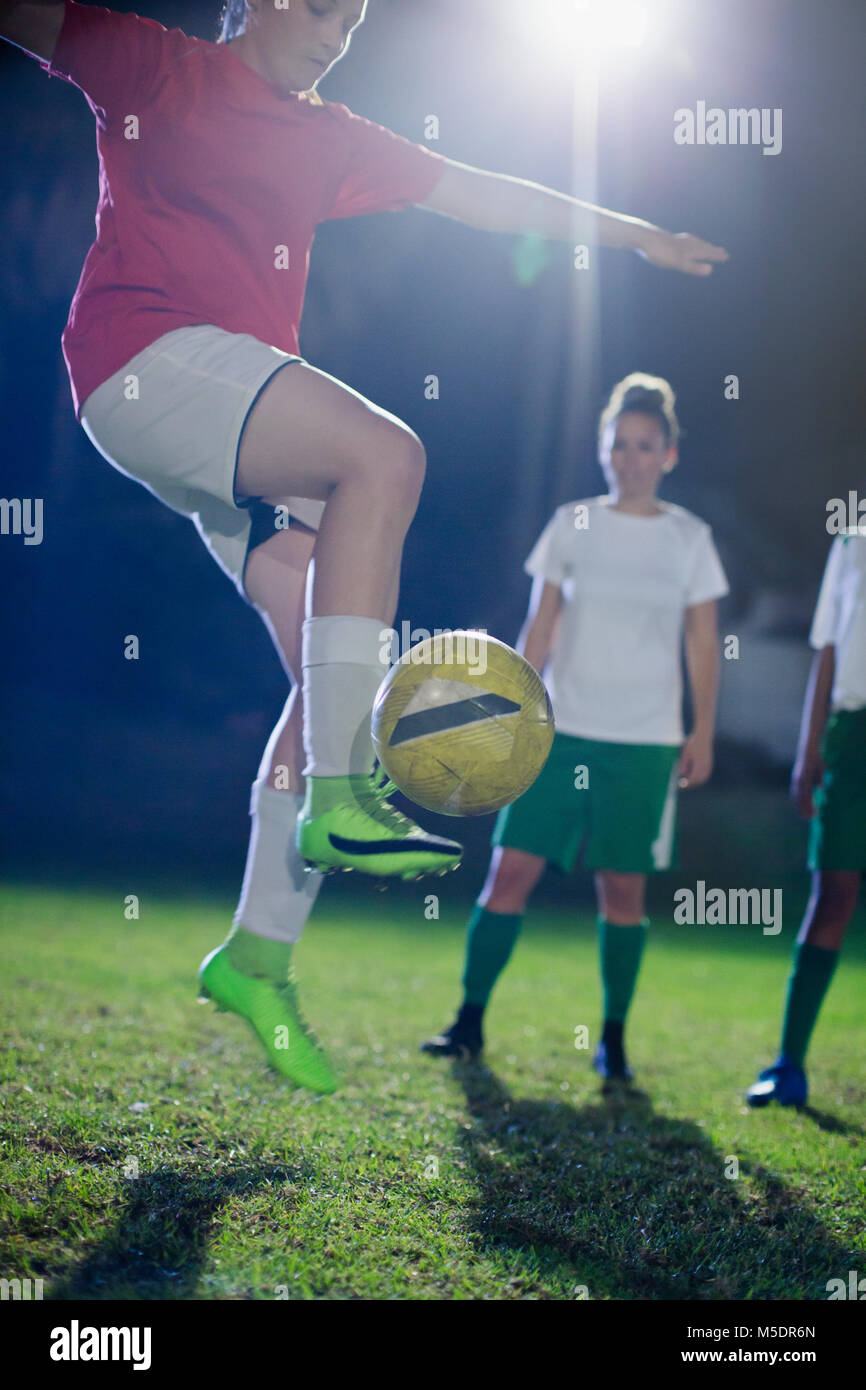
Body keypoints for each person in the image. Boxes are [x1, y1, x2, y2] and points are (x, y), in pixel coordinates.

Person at [1, 0, 728, 1093]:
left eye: (357, 13)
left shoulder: (331, 133)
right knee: (385, 456)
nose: (341, 24)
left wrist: (636, 234)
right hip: (143, 367)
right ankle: (345, 793)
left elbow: (489, 195)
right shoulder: (160, 67)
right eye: (324, 0)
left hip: (233, 434)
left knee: (333, 672)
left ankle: (256, 954)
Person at [423, 375, 729, 1085]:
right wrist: (513, 709)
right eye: (618, 444)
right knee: (509, 872)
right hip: (560, 733)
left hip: (646, 741)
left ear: (669, 454)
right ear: (604, 451)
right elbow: (542, 625)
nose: (631, 458)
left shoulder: (690, 539)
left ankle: (613, 1040)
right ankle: (467, 1021)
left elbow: (703, 645)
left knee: (622, 892)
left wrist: (701, 728)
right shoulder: (572, 523)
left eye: (645, 446)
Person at [747, 523, 865, 1108]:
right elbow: (828, 649)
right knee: (833, 892)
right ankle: (789, 1063)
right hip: (851, 736)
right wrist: (809, 748)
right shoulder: (852, 541)